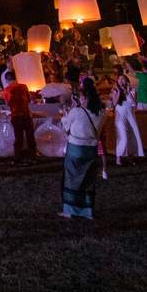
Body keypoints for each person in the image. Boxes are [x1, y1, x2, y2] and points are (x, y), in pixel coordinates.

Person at [59, 78, 107, 219]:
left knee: (71, 179)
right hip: (91, 149)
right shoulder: (102, 112)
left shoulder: (77, 111)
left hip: (76, 148)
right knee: (88, 180)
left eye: (81, 97)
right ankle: (87, 211)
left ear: (85, 97)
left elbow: (66, 126)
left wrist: (64, 114)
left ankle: (70, 210)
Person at [0, 70, 35, 164]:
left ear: (6, 80)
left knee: (18, 138)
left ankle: (18, 157)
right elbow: (28, 99)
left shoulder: (7, 90)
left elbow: (8, 103)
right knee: (30, 137)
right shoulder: (24, 86)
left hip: (16, 115)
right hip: (26, 114)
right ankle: (33, 157)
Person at [111, 70, 144, 165]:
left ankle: (130, 156)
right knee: (123, 137)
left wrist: (128, 92)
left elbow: (135, 103)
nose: (121, 81)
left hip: (130, 115)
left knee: (132, 135)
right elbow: (115, 103)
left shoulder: (132, 91)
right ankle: (118, 156)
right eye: (120, 79)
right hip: (120, 116)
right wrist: (118, 92)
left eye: (123, 79)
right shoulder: (115, 90)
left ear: (127, 81)